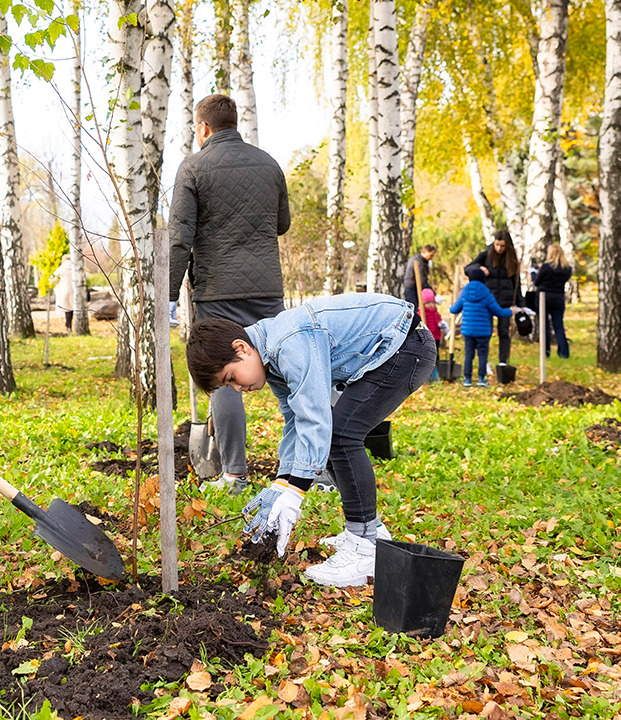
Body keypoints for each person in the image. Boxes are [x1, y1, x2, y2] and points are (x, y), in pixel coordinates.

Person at [186, 295, 435, 587]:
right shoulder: (270, 359)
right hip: (396, 346)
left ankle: (364, 548)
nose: (238, 388)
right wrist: (281, 483)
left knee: (341, 435)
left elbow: (316, 418)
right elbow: (296, 420)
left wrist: (296, 492)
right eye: (229, 386)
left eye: (231, 378)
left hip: (404, 346)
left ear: (241, 348)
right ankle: (371, 531)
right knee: (335, 435)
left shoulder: (288, 342)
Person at [169, 93, 291, 494]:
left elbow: (180, 239)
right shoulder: (269, 164)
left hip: (216, 290)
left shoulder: (193, 167)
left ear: (203, 128)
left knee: (222, 377)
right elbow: (282, 224)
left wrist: (168, 295)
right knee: (290, 373)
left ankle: (235, 474)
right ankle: (309, 470)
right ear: (234, 123)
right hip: (267, 289)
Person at [465, 230, 520, 370]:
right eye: (497, 245)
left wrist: (520, 303)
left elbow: (516, 284)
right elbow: (468, 268)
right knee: (486, 332)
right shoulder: (486, 255)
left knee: (504, 332)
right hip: (487, 301)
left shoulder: (512, 260)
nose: (499, 249)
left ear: (507, 246)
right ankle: (485, 362)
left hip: (506, 301)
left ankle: (503, 362)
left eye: (502, 246)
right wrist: (480, 268)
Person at [450, 267, 513, 388]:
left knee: (469, 354)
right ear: (483, 279)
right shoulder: (486, 293)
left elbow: (455, 309)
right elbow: (498, 311)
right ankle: (481, 379)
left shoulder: (465, 292)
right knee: (482, 355)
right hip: (483, 331)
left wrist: (450, 307)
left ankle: (467, 379)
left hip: (467, 330)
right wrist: (510, 312)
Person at [532, 244, 573, 358]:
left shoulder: (546, 267)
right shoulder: (567, 268)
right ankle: (564, 353)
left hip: (544, 298)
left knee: (544, 326)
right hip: (558, 298)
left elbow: (537, 282)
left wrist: (533, 273)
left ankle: (545, 352)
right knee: (558, 326)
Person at [52, 254, 76, 332]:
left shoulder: (60, 269)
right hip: (74, 291)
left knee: (67, 309)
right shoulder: (75, 268)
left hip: (64, 292)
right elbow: (87, 275)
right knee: (72, 309)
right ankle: (71, 326)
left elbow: (52, 279)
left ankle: (68, 326)